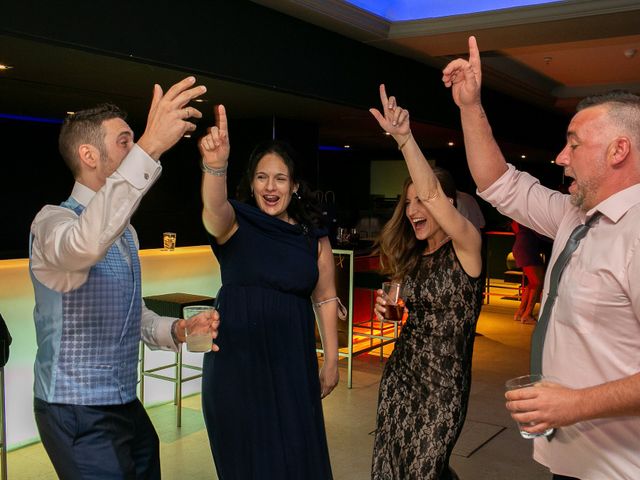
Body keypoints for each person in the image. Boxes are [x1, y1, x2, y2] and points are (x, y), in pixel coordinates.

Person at [443, 36, 640, 479]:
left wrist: (575, 403)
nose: (560, 157)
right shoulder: (576, 215)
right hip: (574, 459)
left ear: (618, 151)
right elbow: (500, 183)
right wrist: (471, 106)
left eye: (574, 144)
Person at [29, 77, 221, 479]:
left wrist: (180, 329)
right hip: (75, 409)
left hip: (123, 404)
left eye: (135, 141)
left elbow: (130, 317)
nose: (134, 149)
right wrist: (151, 145)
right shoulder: (52, 223)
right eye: (124, 141)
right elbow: (83, 245)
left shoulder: (126, 233)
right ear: (89, 154)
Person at [198, 105, 339, 479]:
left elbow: (324, 298)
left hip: (292, 362)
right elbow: (213, 211)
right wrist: (215, 166)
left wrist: (331, 359)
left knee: (296, 459)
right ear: (252, 182)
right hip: (236, 368)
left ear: (294, 185)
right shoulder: (235, 223)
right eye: (262, 177)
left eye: (280, 178)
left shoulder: (313, 237)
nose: (270, 187)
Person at [369, 84, 484, 480]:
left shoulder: (467, 246)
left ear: (448, 206)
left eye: (423, 201)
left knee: (424, 472)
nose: (414, 209)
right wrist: (392, 310)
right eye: (409, 202)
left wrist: (404, 138)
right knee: (391, 470)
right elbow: (405, 312)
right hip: (402, 376)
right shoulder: (414, 258)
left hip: (443, 391)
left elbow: (433, 193)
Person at [511, 220, 550, 324]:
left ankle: (520, 312)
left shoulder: (516, 220)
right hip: (527, 249)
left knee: (531, 283)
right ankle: (527, 314)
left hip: (519, 247)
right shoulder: (527, 220)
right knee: (537, 283)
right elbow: (539, 234)